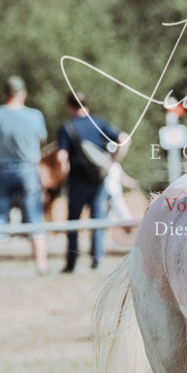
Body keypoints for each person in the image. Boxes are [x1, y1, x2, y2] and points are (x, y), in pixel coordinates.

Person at [57, 92, 131, 272]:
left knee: (73, 222)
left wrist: (62, 179)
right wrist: (114, 161)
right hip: (98, 180)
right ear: (86, 104)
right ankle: (96, 262)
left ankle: (71, 263)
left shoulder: (66, 127)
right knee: (97, 220)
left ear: (69, 106)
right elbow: (124, 138)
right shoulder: (98, 122)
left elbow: (61, 157)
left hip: (77, 181)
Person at [0, 76, 49, 274]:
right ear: (23, 94)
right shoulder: (35, 115)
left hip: (0, 171)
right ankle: (41, 265)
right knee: (34, 217)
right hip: (27, 170)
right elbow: (41, 140)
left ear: (5, 93)